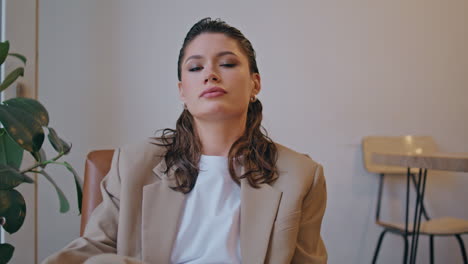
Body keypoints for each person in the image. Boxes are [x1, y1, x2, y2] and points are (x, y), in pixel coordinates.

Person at [43, 17, 327, 264]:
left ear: (255, 83)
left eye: (227, 63)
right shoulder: (132, 164)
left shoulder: (301, 176)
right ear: (182, 91)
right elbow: (95, 249)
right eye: (195, 68)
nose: (210, 75)